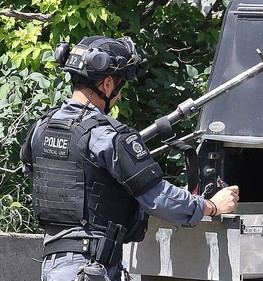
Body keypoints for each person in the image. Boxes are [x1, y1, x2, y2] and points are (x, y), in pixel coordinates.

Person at [20, 35, 239, 281]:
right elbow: (157, 197)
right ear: (106, 84)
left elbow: (50, 176)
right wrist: (210, 206)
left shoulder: (40, 129)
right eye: (119, 87)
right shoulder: (106, 136)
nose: (119, 97)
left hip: (53, 267)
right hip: (91, 268)